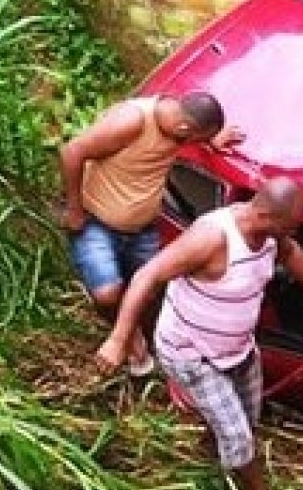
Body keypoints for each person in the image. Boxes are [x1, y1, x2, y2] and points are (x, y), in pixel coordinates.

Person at [95, 177, 303, 490]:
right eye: (288, 227)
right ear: (265, 216)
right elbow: (148, 276)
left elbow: (290, 253)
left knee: (248, 416)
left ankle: (216, 440)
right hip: (192, 354)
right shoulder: (211, 239)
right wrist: (119, 339)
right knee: (239, 436)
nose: (291, 235)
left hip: (237, 348)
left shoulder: (272, 236)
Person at [59, 91, 242, 374]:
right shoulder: (132, 122)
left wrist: (213, 141)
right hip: (97, 221)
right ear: (185, 129)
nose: (191, 144)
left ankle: (147, 344)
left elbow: (194, 128)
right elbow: (72, 151)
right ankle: (127, 339)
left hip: (142, 227)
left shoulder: (178, 125)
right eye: (195, 139)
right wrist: (74, 209)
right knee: (108, 293)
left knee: (151, 289)